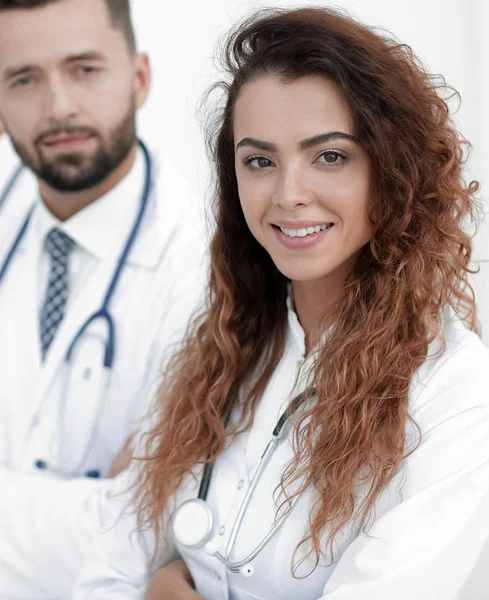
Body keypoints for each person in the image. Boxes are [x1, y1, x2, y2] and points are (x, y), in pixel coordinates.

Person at [74, 7, 489, 600]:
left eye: (330, 156)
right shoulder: (215, 348)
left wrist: (167, 588)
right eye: (260, 161)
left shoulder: (452, 390)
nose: (289, 194)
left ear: (393, 171)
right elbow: (106, 573)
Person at [0, 0, 205, 598]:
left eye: (84, 69)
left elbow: (156, 532)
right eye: (23, 79)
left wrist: (127, 512)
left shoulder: (209, 263)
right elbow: (119, 519)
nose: (59, 105)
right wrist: (96, 509)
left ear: (139, 78)